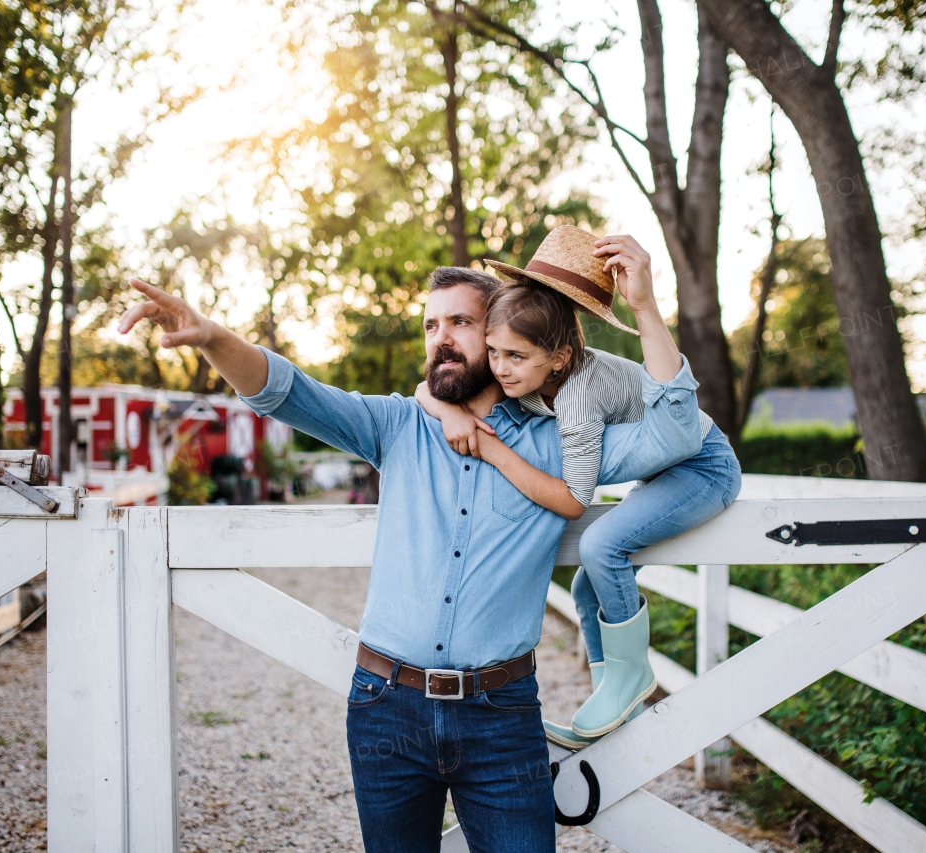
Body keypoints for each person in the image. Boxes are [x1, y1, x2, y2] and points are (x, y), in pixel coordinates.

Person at [116, 265, 705, 853]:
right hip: (384, 708)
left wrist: (647, 309)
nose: (440, 338)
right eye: (430, 325)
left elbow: (677, 432)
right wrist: (213, 336)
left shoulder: (564, 441)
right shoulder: (398, 424)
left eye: (460, 322)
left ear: (500, 331)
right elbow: (289, 393)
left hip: (501, 716)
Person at [416, 227, 741, 748]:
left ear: (558, 356)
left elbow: (574, 499)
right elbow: (425, 385)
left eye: (511, 357)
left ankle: (631, 679)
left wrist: (492, 449)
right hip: (662, 468)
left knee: (601, 546)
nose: (499, 369)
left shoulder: (577, 397)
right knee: (589, 585)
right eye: (494, 353)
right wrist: (447, 407)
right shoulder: (522, 363)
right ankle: (610, 696)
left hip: (703, 468)